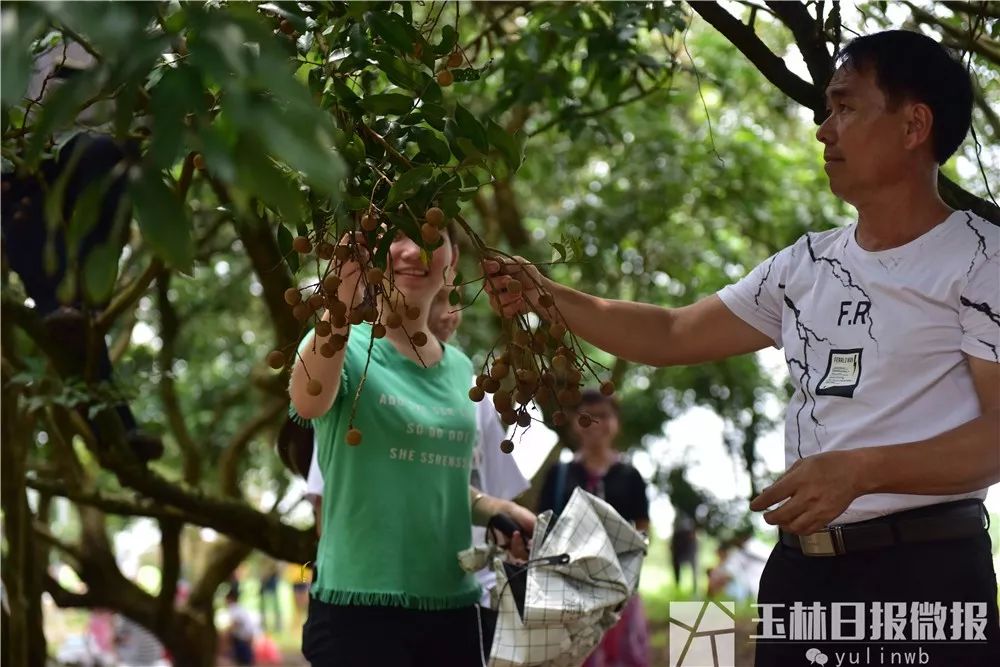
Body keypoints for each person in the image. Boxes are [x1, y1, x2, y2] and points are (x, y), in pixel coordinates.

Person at [486, 30, 999, 665]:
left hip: (924, 578)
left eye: (845, 107)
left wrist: (864, 469)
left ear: (914, 124)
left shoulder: (982, 259)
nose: (823, 130)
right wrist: (548, 296)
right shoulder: (806, 264)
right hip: (799, 574)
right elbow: (673, 333)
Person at [290, 224, 535, 666]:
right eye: (394, 238)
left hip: (454, 610)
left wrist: (498, 509)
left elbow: (431, 479)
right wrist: (343, 292)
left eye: (430, 239)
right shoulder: (344, 345)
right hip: (357, 614)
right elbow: (308, 401)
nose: (410, 252)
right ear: (370, 253)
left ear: (452, 260)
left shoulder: (462, 370)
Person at [303, 283, 531, 604]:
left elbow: (461, 491)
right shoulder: (353, 372)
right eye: (438, 299)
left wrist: (502, 516)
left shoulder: (468, 386)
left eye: (455, 301)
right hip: (364, 598)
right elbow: (325, 505)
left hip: (465, 594)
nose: (450, 314)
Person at [537, 390, 650, 667]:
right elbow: (542, 524)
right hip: (569, 588)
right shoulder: (560, 473)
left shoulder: (630, 475)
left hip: (619, 589)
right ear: (575, 422)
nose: (595, 423)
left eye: (603, 416)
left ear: (616, 423)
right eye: (588, 417)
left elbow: (643, 529)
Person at [224, 588, 257, 667]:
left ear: (230, 598)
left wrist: (225, 634)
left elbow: (234, 624)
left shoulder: (234, 608)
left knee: (244, 661)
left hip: (243, 638)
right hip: (243, 637)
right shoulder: (239, 608)